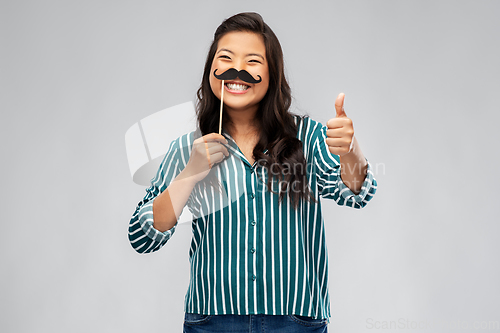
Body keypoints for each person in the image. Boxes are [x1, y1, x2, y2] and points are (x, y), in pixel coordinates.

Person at [128, 12, 377, 333]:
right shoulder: (189, 149)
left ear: (273, 73)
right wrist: (190, 174)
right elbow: (142, 236)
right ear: (211, 72)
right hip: (213, 320)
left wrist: (350, 150)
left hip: (296, 320)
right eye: (226, 58)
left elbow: (358, 192)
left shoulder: (308, 138)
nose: (238, 70)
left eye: (253, 61)